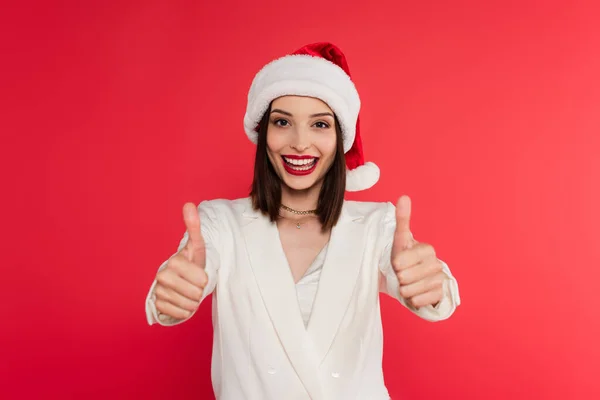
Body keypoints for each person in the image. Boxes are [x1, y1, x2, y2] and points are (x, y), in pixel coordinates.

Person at [144, 42, 461, 400]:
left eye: (320, 124)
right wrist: (172, 295)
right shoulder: (219, 223)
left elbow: (427, 291)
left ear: (339, 138)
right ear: (263, 134)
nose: (299, 142)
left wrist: (431, 286)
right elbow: (184, 284)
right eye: (282, 122)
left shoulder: (377, 224)